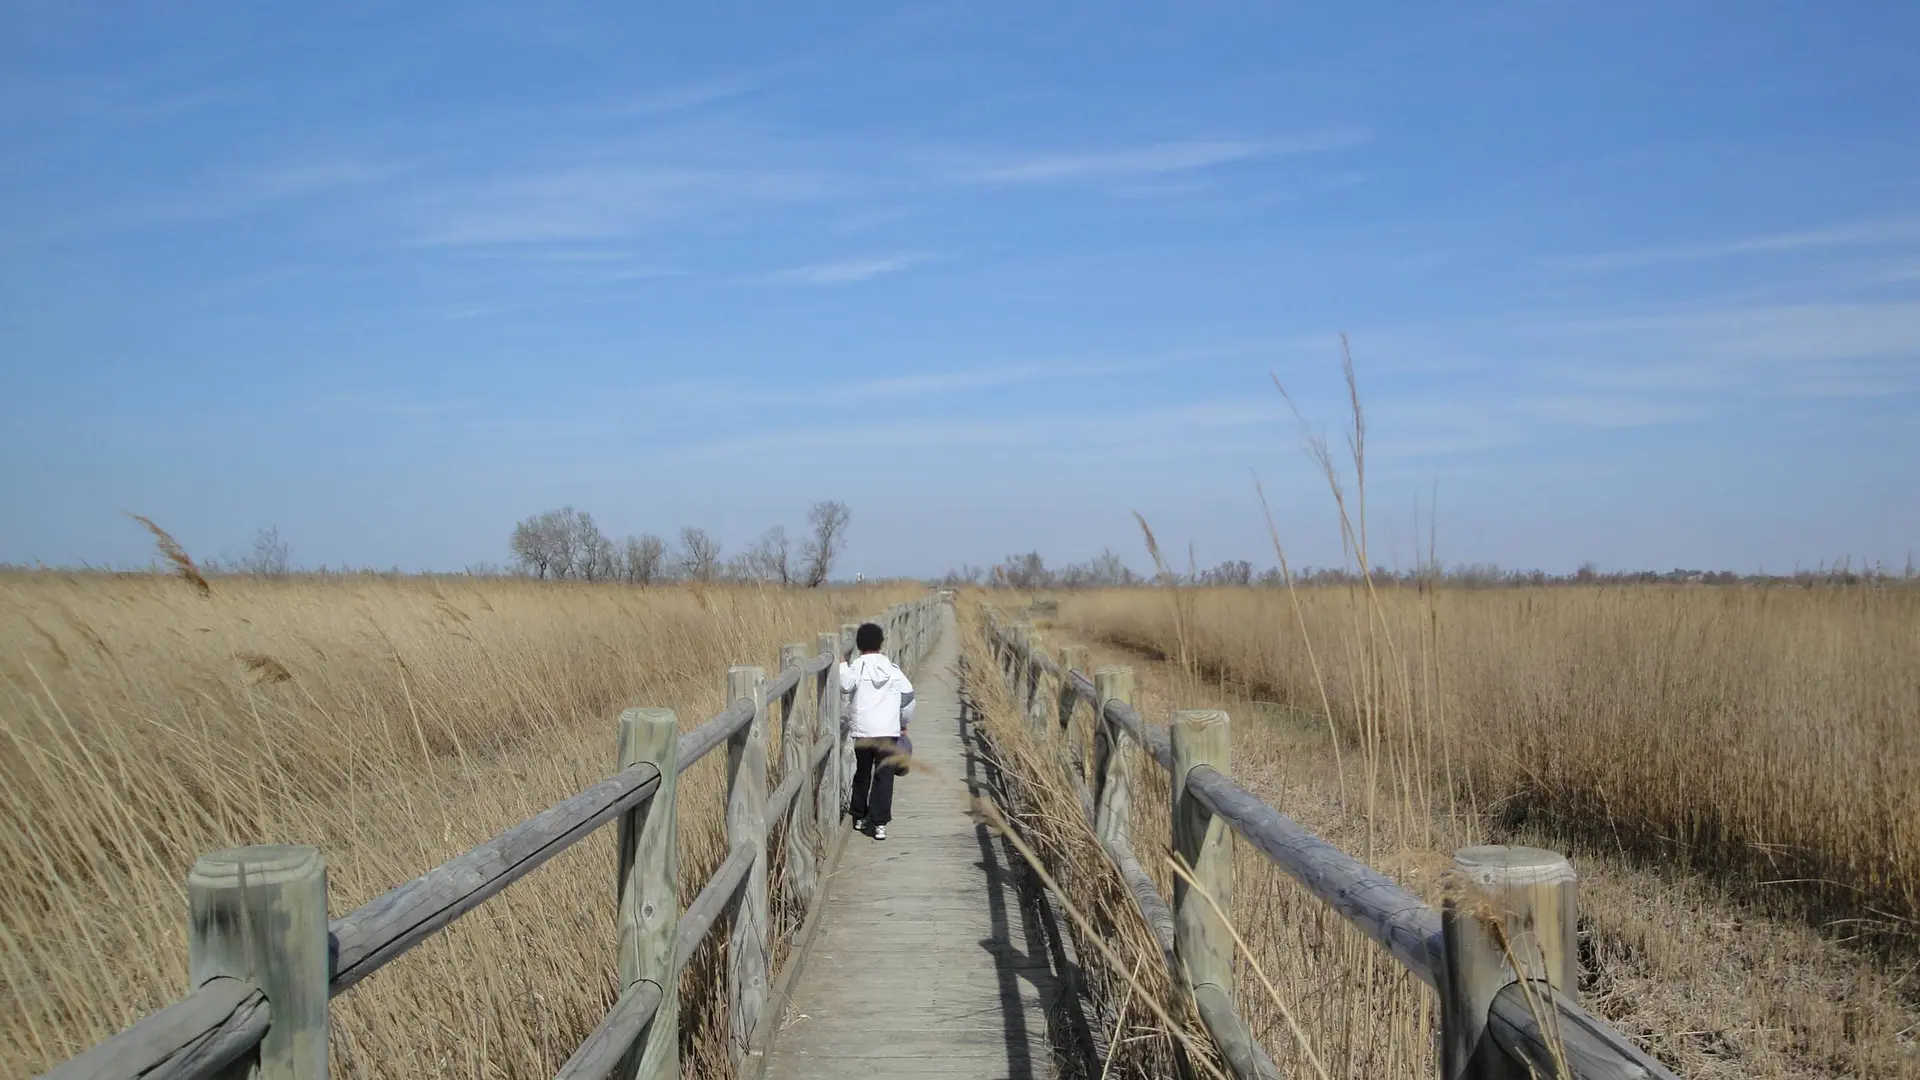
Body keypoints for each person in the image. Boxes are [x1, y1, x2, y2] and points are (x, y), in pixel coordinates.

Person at [840, 621, 914, 840]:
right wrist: (902, 724)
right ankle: (880, 823)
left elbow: (845, 685)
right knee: (884, 776)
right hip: (888, 731)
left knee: (862, 774)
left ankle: (860, 817)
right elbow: (908, 698)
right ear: (881, 643)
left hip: (863, 731)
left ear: (859, 644)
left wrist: (842, 663)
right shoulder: (893, 669)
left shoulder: (857, 666)